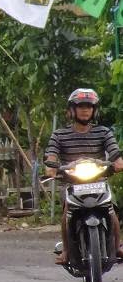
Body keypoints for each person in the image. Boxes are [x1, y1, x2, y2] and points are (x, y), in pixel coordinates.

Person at [44, 88, 123, 264]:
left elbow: (117, 158)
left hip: (98, 182)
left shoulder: (104, 132)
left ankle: (117, 246)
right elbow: (51, 158)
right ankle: (66, 250)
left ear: (95, 110)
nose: (85, 110)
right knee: (67, 211)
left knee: (111, 210)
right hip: (71, 184)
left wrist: (117, 164)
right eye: (80, 106)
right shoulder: (59, 135)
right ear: (72, 110)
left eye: (89, 106)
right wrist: (52, 168)